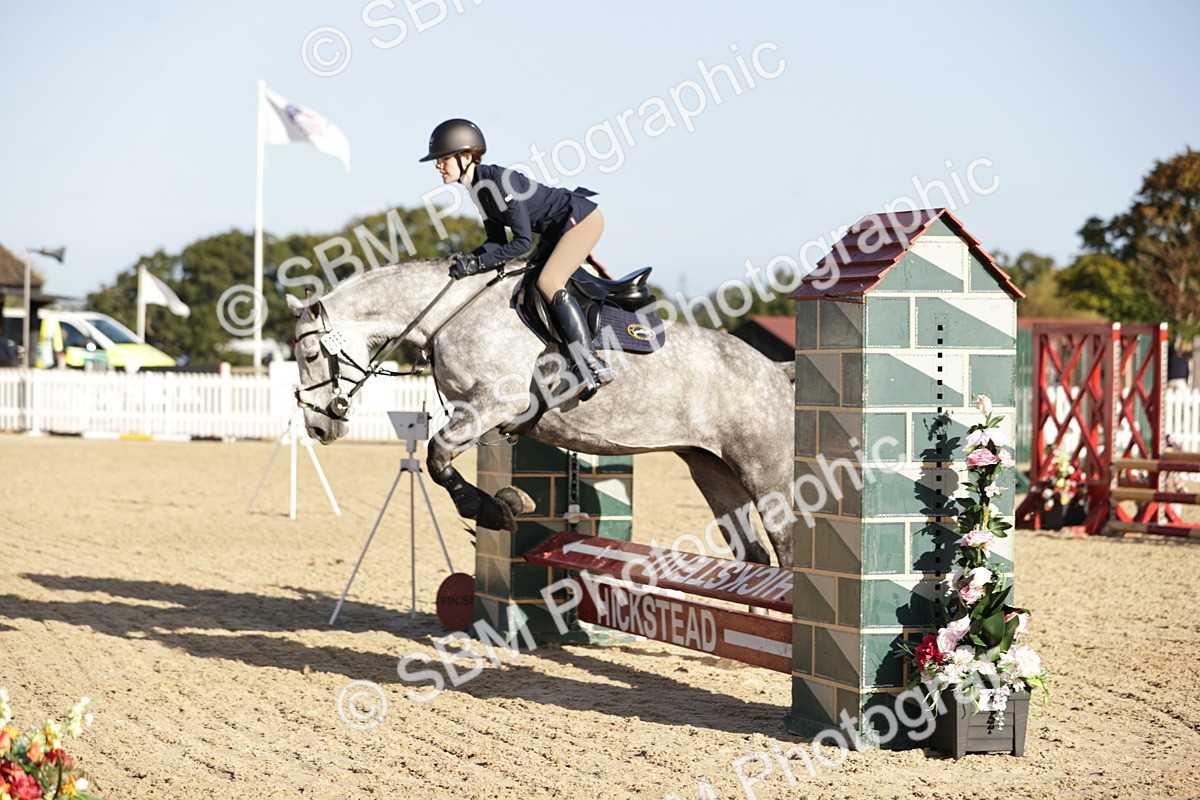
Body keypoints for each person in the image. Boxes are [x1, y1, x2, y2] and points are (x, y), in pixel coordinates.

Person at [419, 118, 613, 402]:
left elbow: (521, 242)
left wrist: (478, 264)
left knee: (548, 281)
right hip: (555, 232)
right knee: (526, 284)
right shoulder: (477, 189)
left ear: (466, 157)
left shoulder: (499, 182)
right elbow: (496, 241)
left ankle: (590, 362)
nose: (438, 165)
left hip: (581, 220)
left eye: (443, 158)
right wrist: (470, 258)